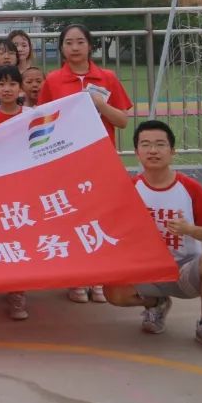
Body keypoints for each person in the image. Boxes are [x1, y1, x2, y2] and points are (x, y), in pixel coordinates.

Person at [103, 121, 202, 356]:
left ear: (172, 150)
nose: (153, 151)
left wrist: (190, 230)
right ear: (137, 152)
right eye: (145, 145)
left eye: (160, 144)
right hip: (146, 270)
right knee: (112, 290)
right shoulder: (130, 189)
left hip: (184, 271)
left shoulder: (189, 187)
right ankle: (156, 304)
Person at [38, 23, 132, 305]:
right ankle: (77, 278)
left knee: (99, 218)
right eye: (69, 42)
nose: (75, 47)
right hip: (66, 161)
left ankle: (98, 278)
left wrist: (100, 105)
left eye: (80, 41)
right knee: (72, 218)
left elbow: (123, 121)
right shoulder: (53, 80)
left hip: (101, 160)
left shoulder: (107, 78)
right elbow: (43, 122)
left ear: (90, 46)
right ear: (61, 48)